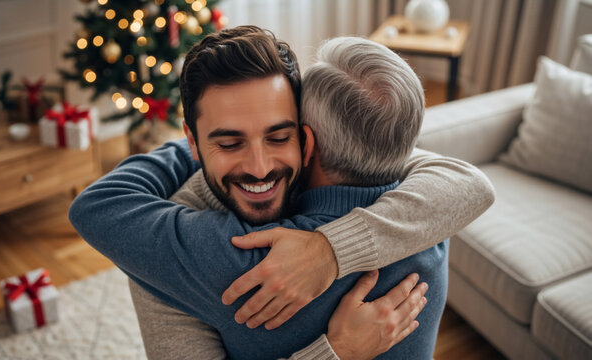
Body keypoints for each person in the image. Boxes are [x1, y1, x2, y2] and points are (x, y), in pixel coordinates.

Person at [69, 27, 494, 359]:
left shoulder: (222, 258)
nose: (258, 167)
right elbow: (470, 184)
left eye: (278, 136)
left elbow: (95, 206)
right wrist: (337, 352)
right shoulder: (428, 220)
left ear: (308, 142)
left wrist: (331, 251)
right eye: (230, 141)